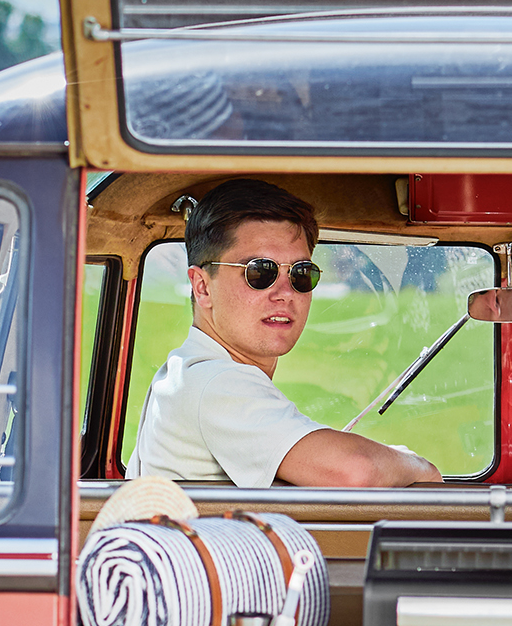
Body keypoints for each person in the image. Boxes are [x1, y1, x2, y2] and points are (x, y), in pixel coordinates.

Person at [127, 178, 441, 488]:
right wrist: (419, 467)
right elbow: (355, 471)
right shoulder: (216, 382)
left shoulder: (191, 372)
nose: (285, 292)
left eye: (301, 274)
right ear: (202, 286)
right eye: (260, 271)